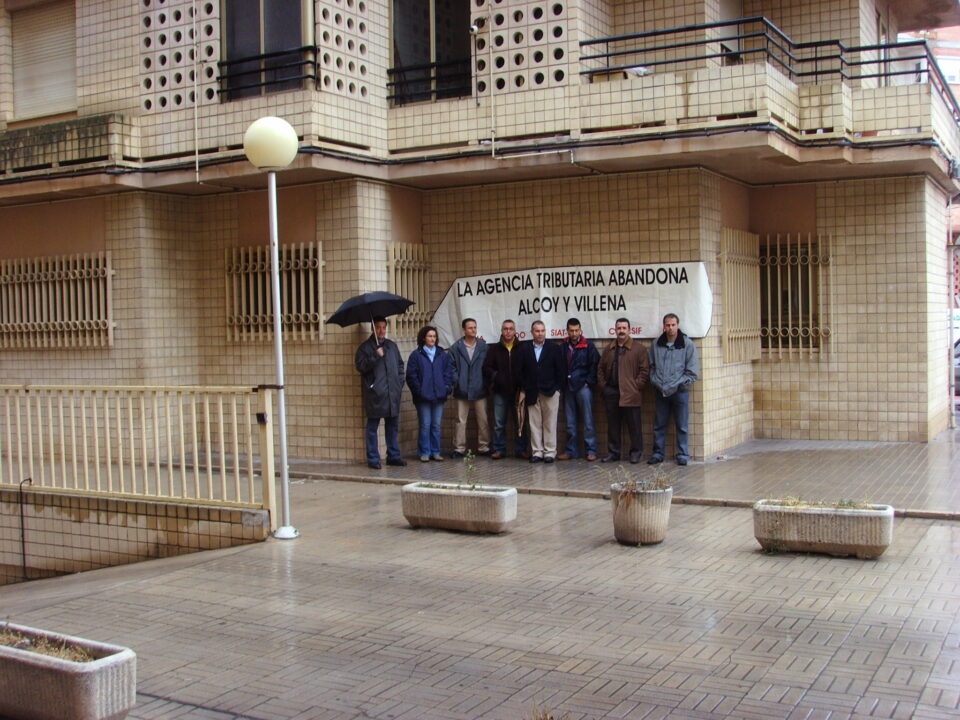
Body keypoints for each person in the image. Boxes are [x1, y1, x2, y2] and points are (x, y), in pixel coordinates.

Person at [648, 313, 700, 466]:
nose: (670, 328)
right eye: (667, 325)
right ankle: (658, 453)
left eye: (673, 325)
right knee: (659, 425)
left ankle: (683, 454)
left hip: (679, 392)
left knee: (682, 425)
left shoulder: (687, 344)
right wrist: (655, 381)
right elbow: (651, 367)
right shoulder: (656, 344)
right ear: (663, 326)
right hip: (660, 391)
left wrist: (679, 385)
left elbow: (692, 372)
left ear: (678, 325)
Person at [354, 316, 406, 470]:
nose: (381, 330)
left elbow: (400, 367)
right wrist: (375, 356)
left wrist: (398, 384)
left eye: (383, 327)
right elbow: (361, 367)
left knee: (392, 427)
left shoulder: (392, 346)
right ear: (372, 329)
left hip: (392, 394)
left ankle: (394, 456)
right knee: (372, 428)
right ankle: (373, 458)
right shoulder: (365, 348)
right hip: (375, 394)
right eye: (378, 327)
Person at [598, 317, 649, 464]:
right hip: (612, 393)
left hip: (630, 394)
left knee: (634, 426)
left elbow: (644, 371)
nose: (621, 331)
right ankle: (614, 453)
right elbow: (600, 369)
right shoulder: (609, 349)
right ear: (615, 330)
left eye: (624, 328)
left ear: (629, 330)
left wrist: (636, 387)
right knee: (613, 426)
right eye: (619, 328)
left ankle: (636, 453)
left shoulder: (638, 349)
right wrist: (605, 388)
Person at [515, 320, 565, 463]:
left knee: (550, 423)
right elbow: (519, 371)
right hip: (531, 391)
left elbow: (560, 371)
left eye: (542, 330)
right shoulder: (524, 349)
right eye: (537, 331)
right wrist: (525, 386)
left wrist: (557, 389)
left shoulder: (554, 348)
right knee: (534, 423)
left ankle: (550, 452)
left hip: (550, 391)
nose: (540, 333)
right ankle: (537, 452)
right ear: (532, 332)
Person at [406, 325, 454, 463]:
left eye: (434, 336)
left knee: (436, 426)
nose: (432, 339)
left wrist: (446, 388)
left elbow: (448, 373)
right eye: (430, 336)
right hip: (423, 397)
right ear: (423, 338)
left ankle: (436, 452)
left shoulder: (442, 355)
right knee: (425, 425)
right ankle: (424, 452)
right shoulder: (416, 355)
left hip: (439, 396)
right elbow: (411, 375)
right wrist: (419, 391)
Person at [483, 319, 528, 459]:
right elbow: (487, 368)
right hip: (499, 391)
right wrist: (496, 377)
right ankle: (499, 449)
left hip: (517, 391)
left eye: (510, 329)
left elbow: (527, 367)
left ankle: (521, 449)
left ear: (515, 331)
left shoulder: (522, 348)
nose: (508, 331)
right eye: (505, 329)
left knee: (520, 422)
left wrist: (523, 384)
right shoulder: (494, 349)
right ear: (501, 331)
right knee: (498, 423)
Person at [557, 318, 600, 461]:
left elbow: (595, 365)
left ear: (580, 330)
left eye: (577, 330)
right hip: (568, 387)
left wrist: (588, 382)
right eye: (571, 330)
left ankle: (591, 450)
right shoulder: (563, 347)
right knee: (570, 422)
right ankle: (571, 451)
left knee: (588, 421)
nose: (574, 333)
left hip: (583, 387)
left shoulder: (588, 346)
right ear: (567, 331)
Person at [449, 318, 490, 458]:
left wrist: (485, 382)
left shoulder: (483, 346)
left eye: (475, 327)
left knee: (483, 419)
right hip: (462, 389)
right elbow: (451, 368)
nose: (473, 330)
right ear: (464, 330)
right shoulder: (456, 347)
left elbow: (488, 366)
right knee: (460, 420)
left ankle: (484, 447)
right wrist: (457, 382)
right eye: (470, 328)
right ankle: (459, 448)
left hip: (480, 388)